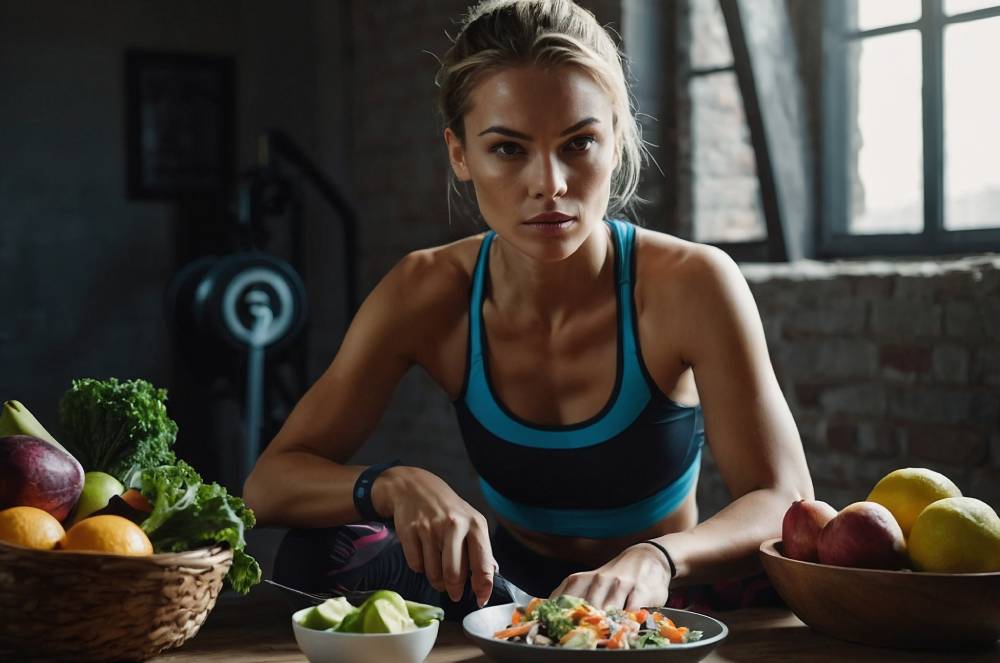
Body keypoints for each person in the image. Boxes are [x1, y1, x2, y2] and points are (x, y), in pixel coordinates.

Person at [243, 0, 812, 617]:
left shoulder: (693, 283)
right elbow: (267, 485)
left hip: (669, 596)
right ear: (460, 154)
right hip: (504, 592)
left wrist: (658, 558)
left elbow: (785, 498)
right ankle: (534, 629)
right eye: (509, 150)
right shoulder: (426, 290)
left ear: (616, 142)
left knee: (808, 563)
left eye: (579, 143)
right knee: (317, 553)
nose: (551, 184)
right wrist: (392, 483)